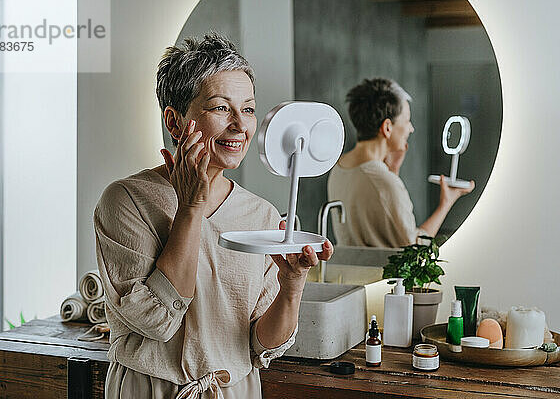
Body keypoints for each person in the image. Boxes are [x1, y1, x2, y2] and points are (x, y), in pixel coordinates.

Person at [93, 33, 333, 398]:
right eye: (221, 108)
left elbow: (260, 345)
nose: (240, 125)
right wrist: (191, 208)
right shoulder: (126, 201)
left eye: (248, 109)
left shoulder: (261, 215)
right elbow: (154, 322)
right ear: (174, 122)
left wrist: (292, 285)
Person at [327, 78, 474, 248]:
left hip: (347, 273)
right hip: (381, 276)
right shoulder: (384, 182)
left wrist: (392, 171)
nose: (411, 128)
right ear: (387, 127)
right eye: (407, 121)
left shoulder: (338, 167)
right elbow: (414, 249)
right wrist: (445, 203)